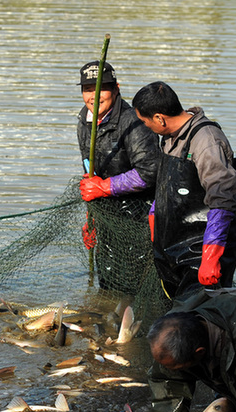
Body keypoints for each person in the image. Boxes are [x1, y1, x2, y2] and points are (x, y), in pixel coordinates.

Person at [132, 81, 236, 299]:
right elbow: (168, 185)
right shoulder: (168, 139)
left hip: (203, 249)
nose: (145, 127)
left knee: (200, 313)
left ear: (159, 118)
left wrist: (210, 257)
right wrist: (155, 216)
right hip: (173, 247)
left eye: (145, 122)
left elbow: (222, 200)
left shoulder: (206, 140)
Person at [75, 61, 161, 294]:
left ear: (116, 89)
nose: (93, 96)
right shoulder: (84, 121)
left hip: (139, 216)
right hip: (107, 216)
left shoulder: (134, 122)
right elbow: (89, 175)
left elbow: (149, 171)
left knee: (137, 284)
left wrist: (105, 187)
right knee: (108, 283)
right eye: (87, 89)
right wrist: (91, 220)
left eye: (100, 89)